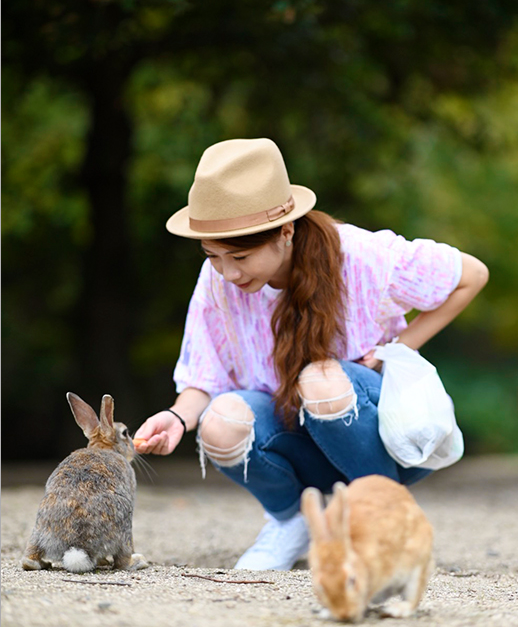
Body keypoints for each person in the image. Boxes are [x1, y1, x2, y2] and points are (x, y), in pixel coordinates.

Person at [135, 137, 489, 570]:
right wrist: (175, 418)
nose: (228, 272)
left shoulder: (360, 255)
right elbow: (203, 377)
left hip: (378, 443)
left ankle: (381, 519)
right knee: (220, 423)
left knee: (319, 380)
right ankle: (291, 522)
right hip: (299, 445)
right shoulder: (218, 282)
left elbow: (471, 275)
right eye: (213, 256)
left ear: (286, 231)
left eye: (240, 256)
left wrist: (395, 350)